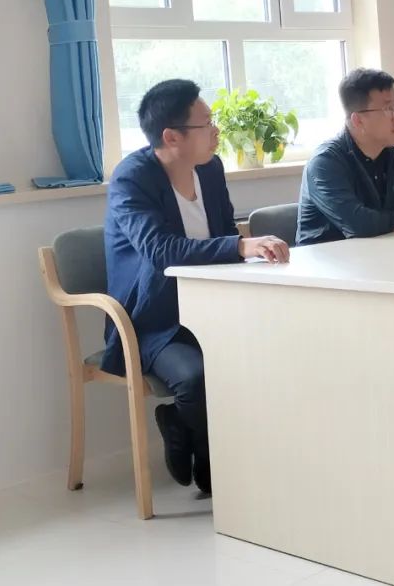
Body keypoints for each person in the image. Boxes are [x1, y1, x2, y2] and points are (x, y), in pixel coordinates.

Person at [105, 80, 290, 494]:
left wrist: (245, 251)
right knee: (195, 377)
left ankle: (201, 439)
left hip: (215, 304)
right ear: (172, 137)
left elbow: (221, 232)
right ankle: (201, 447)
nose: (216, 131)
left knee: (277, 348)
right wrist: (240, 246)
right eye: (206, 124)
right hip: (156, 319)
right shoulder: (131, 179)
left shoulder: (210, 167)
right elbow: (160, 250)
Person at [297, 68, 394, 246]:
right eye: (388, 109)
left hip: (377, 253)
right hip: (324, 260)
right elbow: (360, 226)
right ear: (358, 120)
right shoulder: (325, 163)